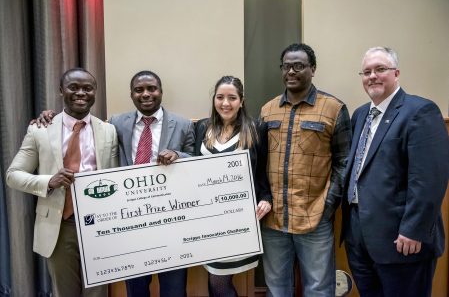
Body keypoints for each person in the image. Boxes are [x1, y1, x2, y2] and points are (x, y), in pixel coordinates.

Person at [35, 70, 195, 297]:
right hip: (130, 223)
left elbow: (196, 160)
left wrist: (178, 155)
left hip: (170, 220)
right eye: (139, 90)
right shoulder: (116, 123)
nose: (146, 94)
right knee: (136, 290)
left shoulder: (183, 124)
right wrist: (50, 116)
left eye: (152, 89)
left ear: (161, 92)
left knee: (174, 290)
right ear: (131, 95)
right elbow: (79, 125)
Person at [341, 47, 449, 297]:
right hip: (359, 237)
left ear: (396, 73)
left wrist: (414, 229)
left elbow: (429, 179)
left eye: (380, 69)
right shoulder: (360, 115)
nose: (372, 76)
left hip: (402, 240)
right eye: (366, 71)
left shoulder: (420, 111)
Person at [6, 68, 119, 297]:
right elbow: (13, 175)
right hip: (60, 225)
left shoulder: (109, 131)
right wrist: (49, 181)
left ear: (95, 92)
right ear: (60, 91)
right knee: (65, 292)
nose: (81, 93)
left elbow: (115, 176)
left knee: (97, 292)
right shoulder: (39, 130)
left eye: (87, 88)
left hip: (100, 223)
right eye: (73, 87)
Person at [259, 43, 352, 296]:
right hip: (273, 219)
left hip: (315, 217)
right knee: (277, 289)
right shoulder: (267, 111)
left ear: (312, 69)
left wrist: (328, 204)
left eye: (299, 66)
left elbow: (345, 162)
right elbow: (259, 162)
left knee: (319, 289)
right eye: (286, 66)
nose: (292, 71)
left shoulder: (334, 108)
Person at [194, 76, 272, 296]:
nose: (225, 103)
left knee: (219, 281)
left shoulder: (256, 129)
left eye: (232, 98)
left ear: (242, 101)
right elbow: (190, 169)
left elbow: (263, 170)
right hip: (207, 218)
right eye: (220, 97)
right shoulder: (202, 127)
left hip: (238, 217)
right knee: (214, 278)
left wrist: (266, 198)